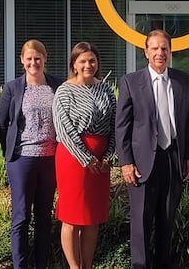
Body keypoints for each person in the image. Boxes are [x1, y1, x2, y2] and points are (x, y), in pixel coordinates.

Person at [116, 30, 189, 269]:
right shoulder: (131, 82)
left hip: (173, 158)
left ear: (170, 51)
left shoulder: (184, 81)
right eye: (155, 48)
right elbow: (122, 126)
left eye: (164, 48)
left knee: (166, 218)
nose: (160, 53)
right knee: (141, 221)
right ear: (146, 52)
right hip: (141, 162)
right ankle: (140, 265)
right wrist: (125, 162)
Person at [0, 39, 62, 269]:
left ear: (45, 59)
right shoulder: (13, 88)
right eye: (29, 58)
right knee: (21, 216)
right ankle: (20, 265)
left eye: (38, 58)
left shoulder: (57, 85)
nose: (33, 62)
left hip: (51, 159)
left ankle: (42, 263)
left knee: (44, 216)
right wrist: (11, 152)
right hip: (22, 159)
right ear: (22, 60)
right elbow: (2, 124)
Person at [52, 42, 116, 269]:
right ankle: (73, 266)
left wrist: (108, 156)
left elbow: (114, 125)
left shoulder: (105, 89)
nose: (88, 65)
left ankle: (87, 265)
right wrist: (86, 159)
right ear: (74, 64)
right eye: (83, 61)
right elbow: (64, 130)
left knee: (92, 217)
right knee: (72, 216)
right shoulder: (64, 91)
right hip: (73, 158)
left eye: (92, 60)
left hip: (101, 160)